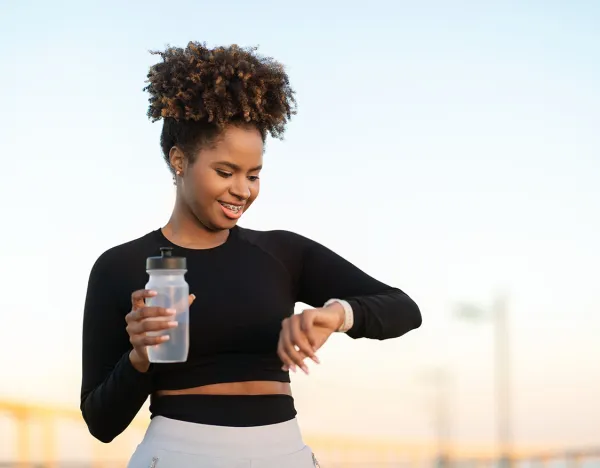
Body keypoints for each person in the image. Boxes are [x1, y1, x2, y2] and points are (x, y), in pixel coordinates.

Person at [80, 41, 422, 468]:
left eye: (254, 175)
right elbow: (101, 422)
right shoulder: (121, 266)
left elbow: (404, 309)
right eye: (225, 172)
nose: (242, 190)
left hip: (283, 454)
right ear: (179, 160)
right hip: (173, 456)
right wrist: (139, 357)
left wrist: (335, 314)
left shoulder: (282, 252)